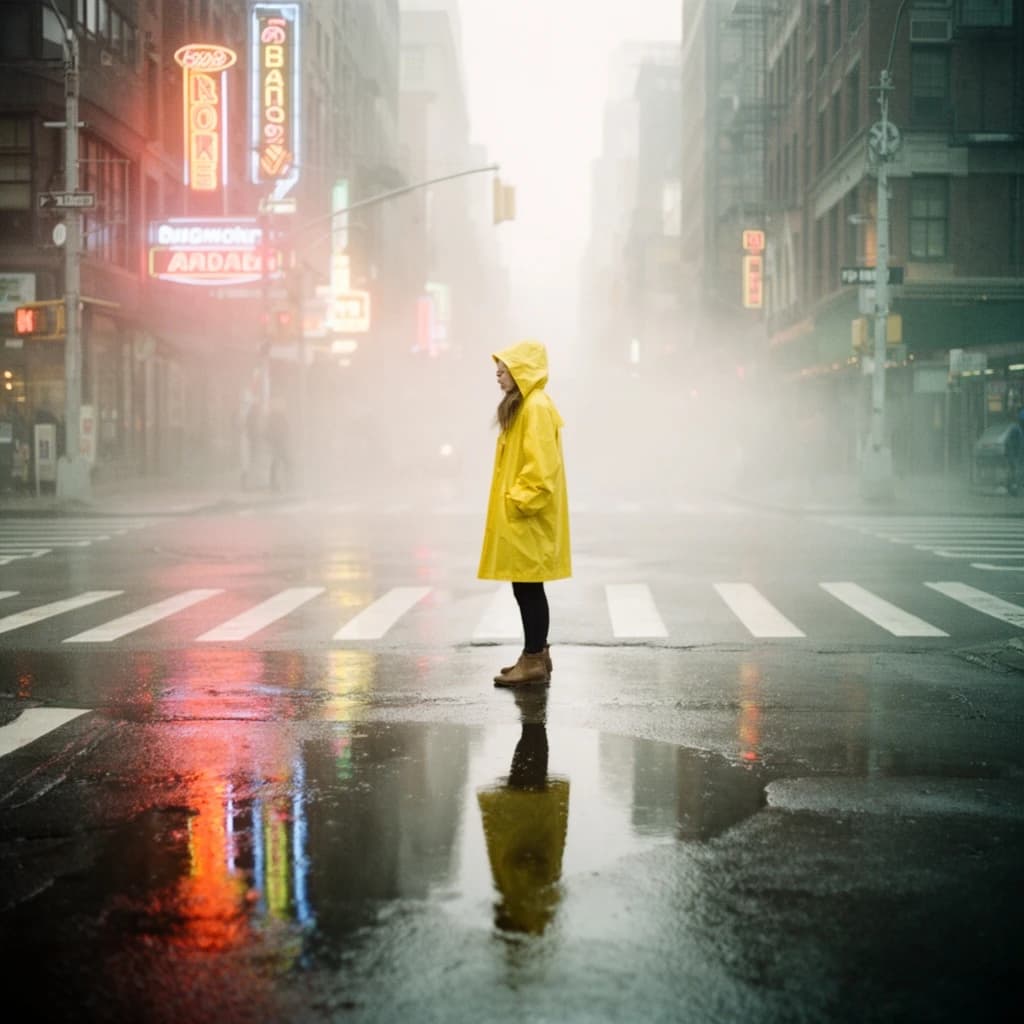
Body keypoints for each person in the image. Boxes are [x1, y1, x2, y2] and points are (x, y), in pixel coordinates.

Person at [478, 339, 571, 686]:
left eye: (504, 369)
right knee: (526, 586)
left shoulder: (535, 407)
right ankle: (535, 654)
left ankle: (533, 660)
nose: (498, 375)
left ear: (522, 372)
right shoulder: (526, 406)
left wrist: (517, 501)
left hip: (528, 516)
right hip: (524, 517)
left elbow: (541, 467)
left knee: (529, 588)